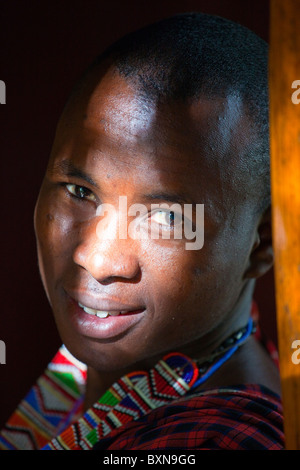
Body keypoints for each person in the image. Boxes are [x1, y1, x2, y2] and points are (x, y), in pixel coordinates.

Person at [0, 12, 284, 450]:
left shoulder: (224, 439)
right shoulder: (130, 367)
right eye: (79, 190)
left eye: (166, 218)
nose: (95, 258)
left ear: (261, 243)